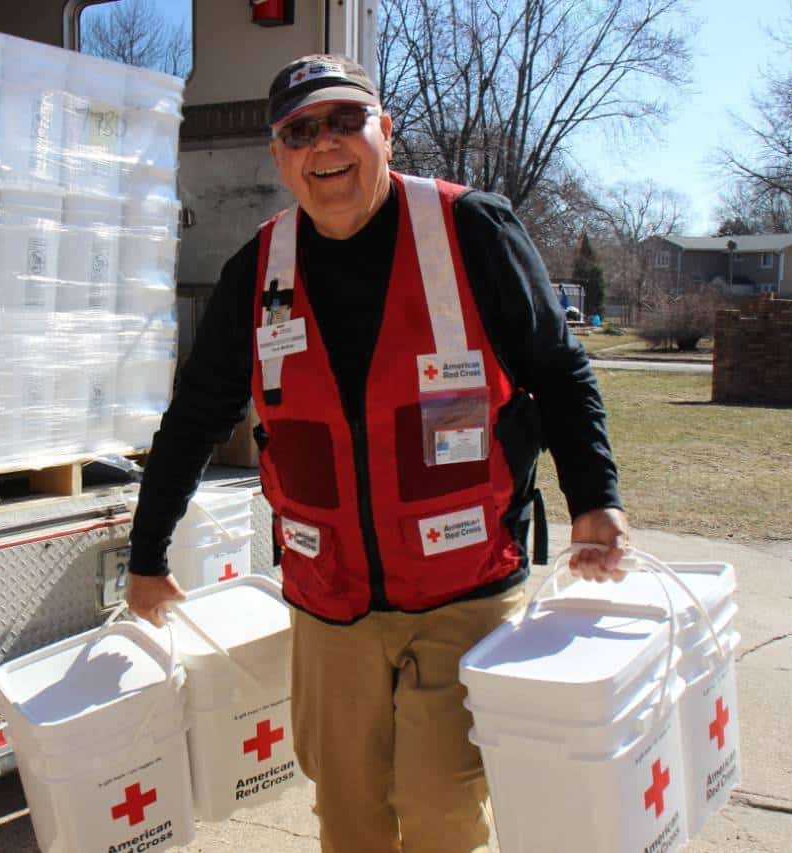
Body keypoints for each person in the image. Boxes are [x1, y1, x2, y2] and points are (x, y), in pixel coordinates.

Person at [126, 54, 629, 853]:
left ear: (384, 131)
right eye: (300, 130)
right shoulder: (257, 272)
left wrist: (596, 499)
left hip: (464, 588)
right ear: (280, 156)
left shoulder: (471, 229)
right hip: (331, 603)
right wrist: (147, 552)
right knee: (350, 817)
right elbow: (194, 416)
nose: (325, 145)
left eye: (344, 121)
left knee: (442, 814)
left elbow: (560, 371)